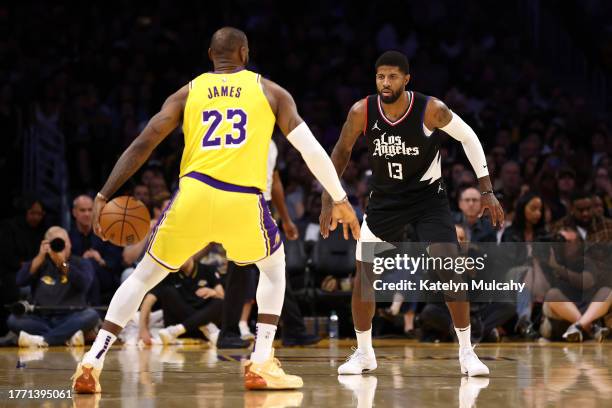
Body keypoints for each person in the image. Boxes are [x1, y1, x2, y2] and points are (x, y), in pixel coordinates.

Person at [72, 27, 359, 393]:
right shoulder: (270, 91)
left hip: (192, 195)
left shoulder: (187, 92)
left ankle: (93, 359)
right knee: (273, 270)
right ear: (244, 53)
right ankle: (261, 361)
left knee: (143, 276)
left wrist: (103, 193)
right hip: (241, 199)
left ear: (211, 54)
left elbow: (144, 141)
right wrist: (340, 198)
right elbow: (311, 150)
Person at [320, 51, 503, 376]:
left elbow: (469, 138)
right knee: (364, 279)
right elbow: (341, 151)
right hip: (385, 200)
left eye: (392, 76)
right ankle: (364, 354)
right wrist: (329, 198)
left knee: (450, 268)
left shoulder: (431, 109)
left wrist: (487, 190)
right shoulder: (362, 111)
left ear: (407, 79)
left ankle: (466, 352)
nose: (385, 83)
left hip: (427, 200)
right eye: (380, 76)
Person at [8, 227, 99, 347]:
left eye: (64, 242)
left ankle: (43, 340)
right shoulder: (40, 264)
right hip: (42, 319)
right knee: (13, 320)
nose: (62, 246)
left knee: (90, 315)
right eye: (57, 243)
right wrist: (40, 257)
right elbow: (20, 280)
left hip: (71, 317)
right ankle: (66, 336)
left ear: (70, 243)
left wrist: (62, 264)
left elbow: (84, 284)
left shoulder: (81, 263)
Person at [139, 254, 224, 346]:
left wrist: (213, 292)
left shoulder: (208, 270)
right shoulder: (168, 274)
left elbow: (222, 296)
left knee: (220, 301)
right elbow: (148, 301)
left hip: (190, 331)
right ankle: (204, 326)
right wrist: (143, 330)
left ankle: (180, 328)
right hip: (183, 325)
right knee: (168, 291)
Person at [69, 195, 123, 305]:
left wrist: (101, 260)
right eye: (82, 210)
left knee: (92, 264)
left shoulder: (106, 233)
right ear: (74, 212)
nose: (87, 214)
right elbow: (66, 262)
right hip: (78, 277)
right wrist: (82, 261)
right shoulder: (68, 237)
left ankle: (92, 307)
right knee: (88, 264)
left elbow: (117, 261)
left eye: (90, 210)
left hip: (104, 276)